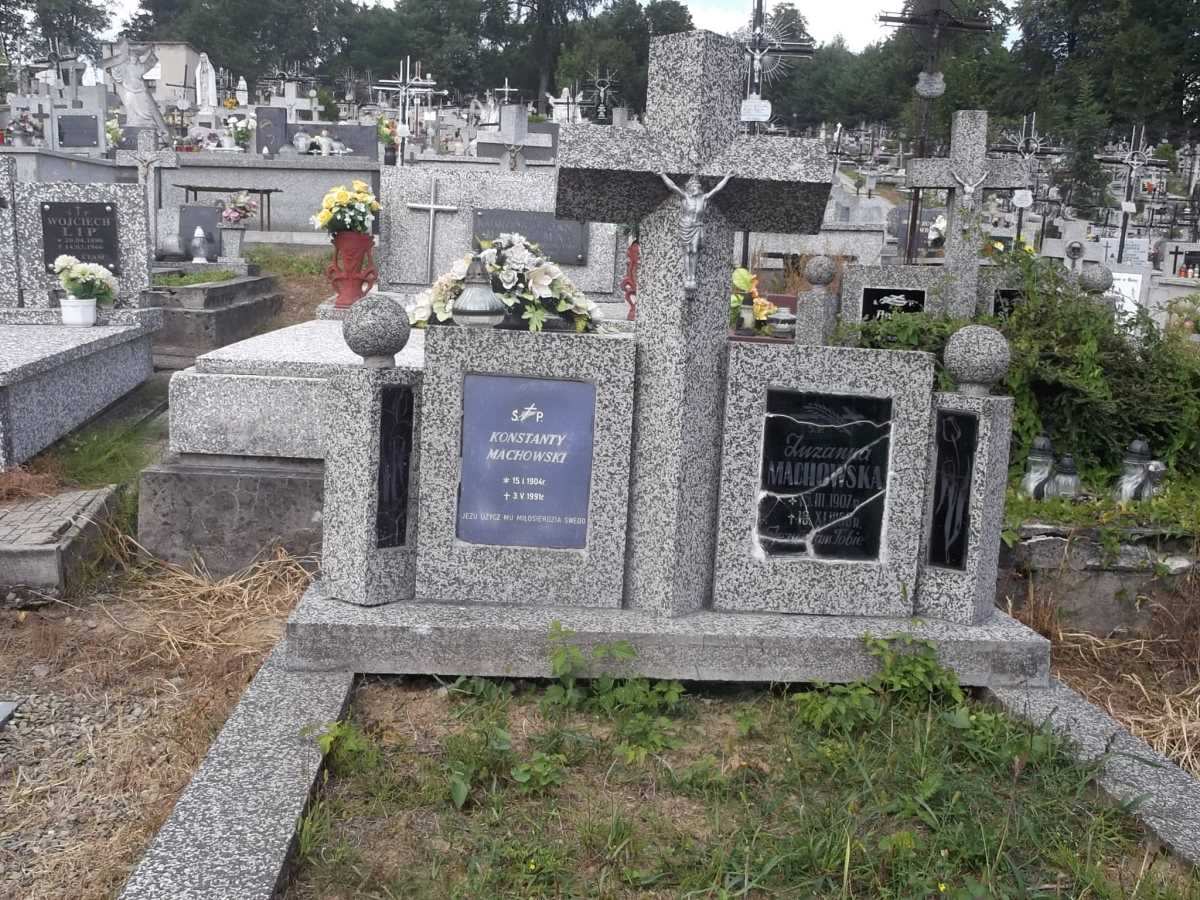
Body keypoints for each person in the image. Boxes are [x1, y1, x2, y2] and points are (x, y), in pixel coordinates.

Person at [659, 172, 733, 296]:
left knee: (694, 250)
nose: (697, 187)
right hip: (686, 226)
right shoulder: (685, 197)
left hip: (697, 226)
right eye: (694, 186)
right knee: (687, 251)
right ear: (689, 188)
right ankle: (688, 277)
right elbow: (672, 186)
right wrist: (662, 175)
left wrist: (727, 177)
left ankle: (692, 276)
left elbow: (717, 189)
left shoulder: (703, 198)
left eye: (698, 186)